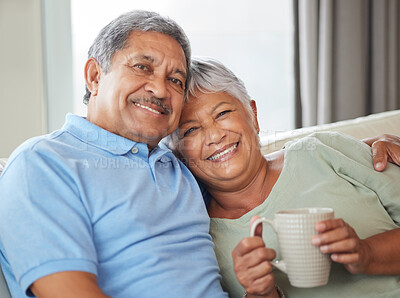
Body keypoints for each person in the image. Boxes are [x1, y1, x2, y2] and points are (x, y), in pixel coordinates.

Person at [0, 11, 228, 298]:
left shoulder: (183, 166)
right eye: (143, 67)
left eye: (175, 80)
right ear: (95, 77)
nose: (159, 89)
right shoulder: (42, 162)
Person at [167, 57, 400, 298]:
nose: (214, 136)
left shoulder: (323, 152)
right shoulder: (199, 242)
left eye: (223, 113)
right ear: (177, 153)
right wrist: (261, 294)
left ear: (253, 115)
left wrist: (368, 254)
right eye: (191, 130)